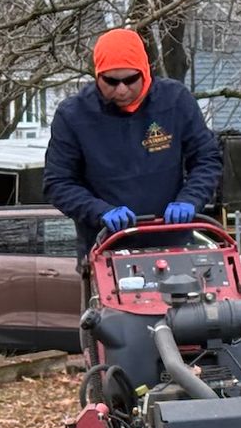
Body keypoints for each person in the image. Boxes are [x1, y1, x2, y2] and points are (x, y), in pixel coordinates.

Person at [44, 27, 223, 259]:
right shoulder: (73, 116)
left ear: (145, 71)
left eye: (130, 80)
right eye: (111, 81)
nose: (121, 89)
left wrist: (191, 199)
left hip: (173, 245)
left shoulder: (175, 101)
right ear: (97, 75)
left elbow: (207, 158)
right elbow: (58, 183)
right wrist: (99, 211)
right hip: (106, 249)